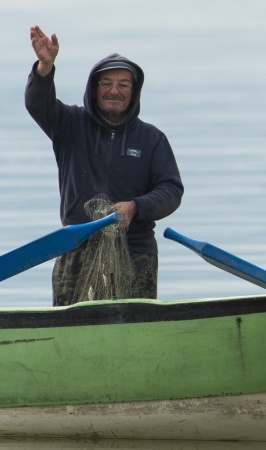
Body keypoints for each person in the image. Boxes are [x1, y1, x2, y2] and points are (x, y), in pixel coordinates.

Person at [25, 25, 184, 306]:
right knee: (70, 326)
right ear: (94, 88)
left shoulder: (152, 139)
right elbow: (38, 104)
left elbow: (171, 191)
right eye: (106, 83)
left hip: (136, 251)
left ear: (133, 92)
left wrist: (135, 207)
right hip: (77, 248)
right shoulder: (69, 124)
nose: (114, 91)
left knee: (136, 327)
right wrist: (45, 67)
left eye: (123, 85)